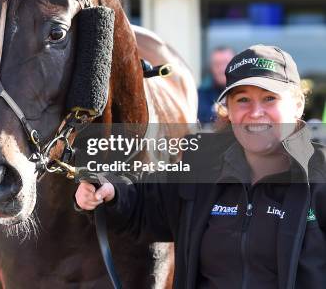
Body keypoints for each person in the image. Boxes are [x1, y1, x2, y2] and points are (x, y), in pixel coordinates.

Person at [76, 44, 325, 288]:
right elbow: (143, 202)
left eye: (269, 98)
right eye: (243, 99)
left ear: (297, 104)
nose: (255, 112)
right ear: (228, 109)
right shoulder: (203, 166)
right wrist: (109, 191)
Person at [198, 46, 235, 123]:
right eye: (217, 64)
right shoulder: (200, 95)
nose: (222, 69)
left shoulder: (246, 90)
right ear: (211, 67)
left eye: (226, 63)